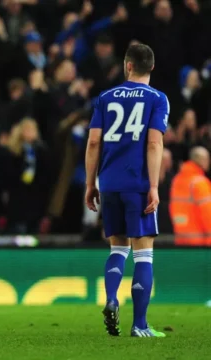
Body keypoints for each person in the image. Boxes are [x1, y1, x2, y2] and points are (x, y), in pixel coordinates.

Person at [85, 43, 169, 338]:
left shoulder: (105, 98)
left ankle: (110, 299)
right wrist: (155, 186)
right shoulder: (158, 99)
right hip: (138, 184)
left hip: (109, 183)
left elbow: (94, 142)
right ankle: (140, 325)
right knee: (143, 253)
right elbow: (154, 142)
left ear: (127, 65)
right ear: (152, 67)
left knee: (118, 247)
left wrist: (89, 184)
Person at [169, 146, 211, 246]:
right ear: (202, 160)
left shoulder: (177, 180)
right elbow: (208, 213)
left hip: (180, 237)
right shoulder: (200, 183)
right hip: (200, 241)